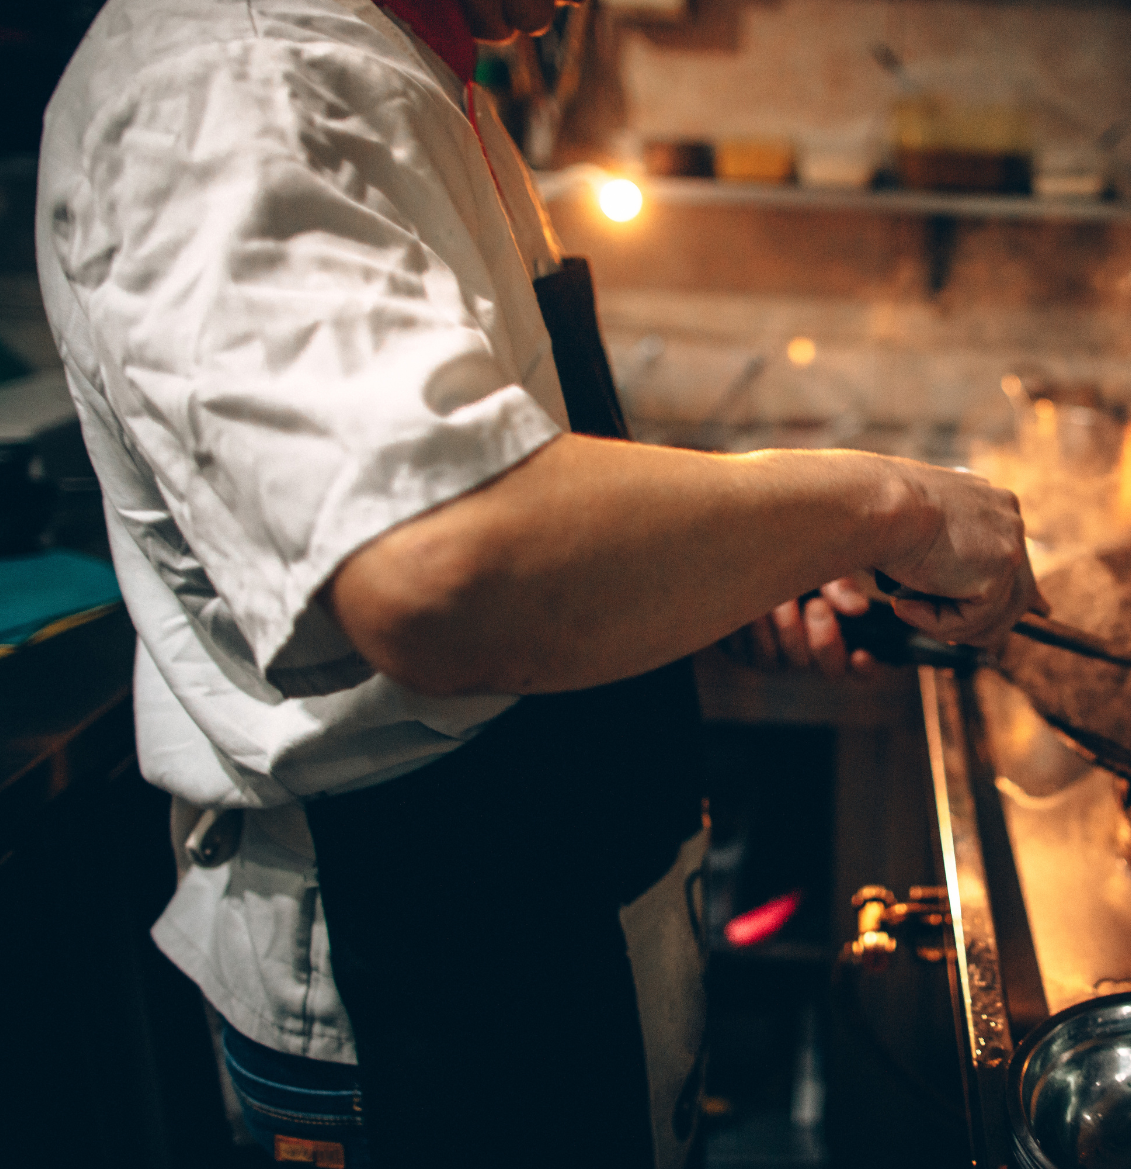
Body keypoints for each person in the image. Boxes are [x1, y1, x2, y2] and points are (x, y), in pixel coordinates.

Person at [34, 0, 1042, 1166]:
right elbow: (442, 566)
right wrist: (885, 502)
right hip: (413, 976)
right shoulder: (239, 76)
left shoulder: (409, 67)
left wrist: (731, 573)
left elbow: (510, 504)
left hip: (544, 917)